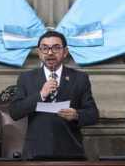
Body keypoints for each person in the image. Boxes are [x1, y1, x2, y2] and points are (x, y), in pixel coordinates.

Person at [9, 31, 99, 159]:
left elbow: (93, 115)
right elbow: (15, 111)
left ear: (65, 52)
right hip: (35, 153)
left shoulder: (79, 78)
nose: (50, 53)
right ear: (39, 53)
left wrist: (76, 115)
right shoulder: (26, 78)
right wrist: (40, 95)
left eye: (56, 48)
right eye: (45, 48)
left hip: (71, 152)